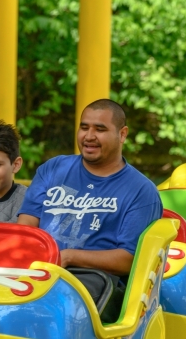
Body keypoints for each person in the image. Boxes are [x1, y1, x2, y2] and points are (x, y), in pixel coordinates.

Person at [17, 99, 162, 321]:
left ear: (122, 134)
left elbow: (129, 259)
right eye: (84, 127)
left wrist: (69, 257)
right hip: (38, 271)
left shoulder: (141, 190)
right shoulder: (53, 169)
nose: (89, 136)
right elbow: (25, 229)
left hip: (97, 282)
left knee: (52, 311)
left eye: (100, 129)